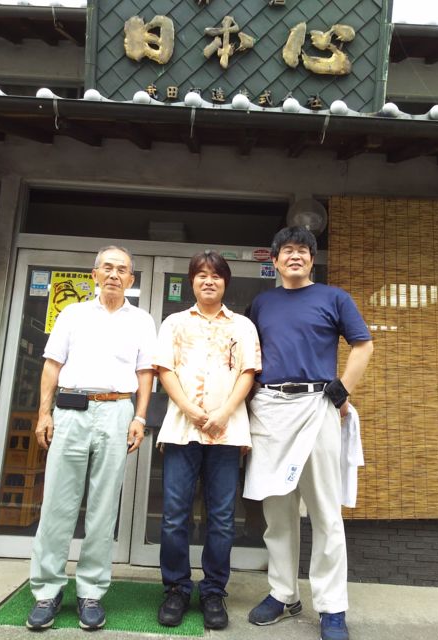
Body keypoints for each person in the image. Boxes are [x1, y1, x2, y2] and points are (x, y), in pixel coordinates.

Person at [244, 227, 373, 640]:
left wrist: (342, 389)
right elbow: (248, 354)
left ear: (312, 260)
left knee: (325, 512)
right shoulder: (261, 304)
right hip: (269, 409)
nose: (295, 256)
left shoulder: (334, 298)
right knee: (277, 511)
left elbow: (363, 345)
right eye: (287, 250)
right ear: (275, 260)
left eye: (303, 250)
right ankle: (283, 594)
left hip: (317, 407)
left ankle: (332, 607)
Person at [26, 246, 156, 631]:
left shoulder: (142, 320)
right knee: (57, 502)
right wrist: (44, 413)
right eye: (108, 268)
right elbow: (52, 365)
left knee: (103, 506)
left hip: (117, 411)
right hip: (71, 410)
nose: (114, 275)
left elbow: (145, 373)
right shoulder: (73, 313)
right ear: (95, 274)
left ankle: (91, 592)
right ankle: (47, 590)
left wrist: (140, 416)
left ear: (131, 279)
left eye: (122, 270)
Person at [154, 250, 261, 630]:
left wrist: (223, 413)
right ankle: (176, 589)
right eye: (201, 275)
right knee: (174, 516)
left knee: (221, 518)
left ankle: (214, 591)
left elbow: (248, 372)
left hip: (227, 433)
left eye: (216, 275)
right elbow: (164, 370)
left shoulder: (243, 326)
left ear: (225, 282)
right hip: (182, 430)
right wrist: (190, 410)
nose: (208, 281)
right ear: (192, 281)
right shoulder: (174, 323)